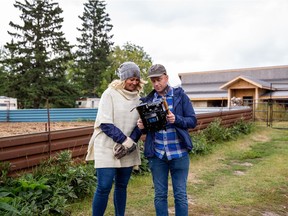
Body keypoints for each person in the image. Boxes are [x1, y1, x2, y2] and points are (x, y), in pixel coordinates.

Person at [137, 64, 197, 216]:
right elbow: (146, 129)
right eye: (153, 81)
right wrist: (142, 126)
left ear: (166, 78)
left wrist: (176, 119)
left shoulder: (179, 96)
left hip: (179, 154)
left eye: (159, 79)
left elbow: (192, 121)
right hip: (158, 156)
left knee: (180, 195)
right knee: (160, 195)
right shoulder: (148, 100)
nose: (156, 84)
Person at [86, 61, 145, 216]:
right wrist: (124, 141)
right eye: (131, 78)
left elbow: (141, 124)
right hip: (106, 145)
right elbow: (105, 123)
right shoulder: (110, 94)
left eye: (136, 79)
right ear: (123, 78)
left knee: (121, 185)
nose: (134, 82)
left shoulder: (139, 99)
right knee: (104, 186)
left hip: (129, 147)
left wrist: (130, 142)